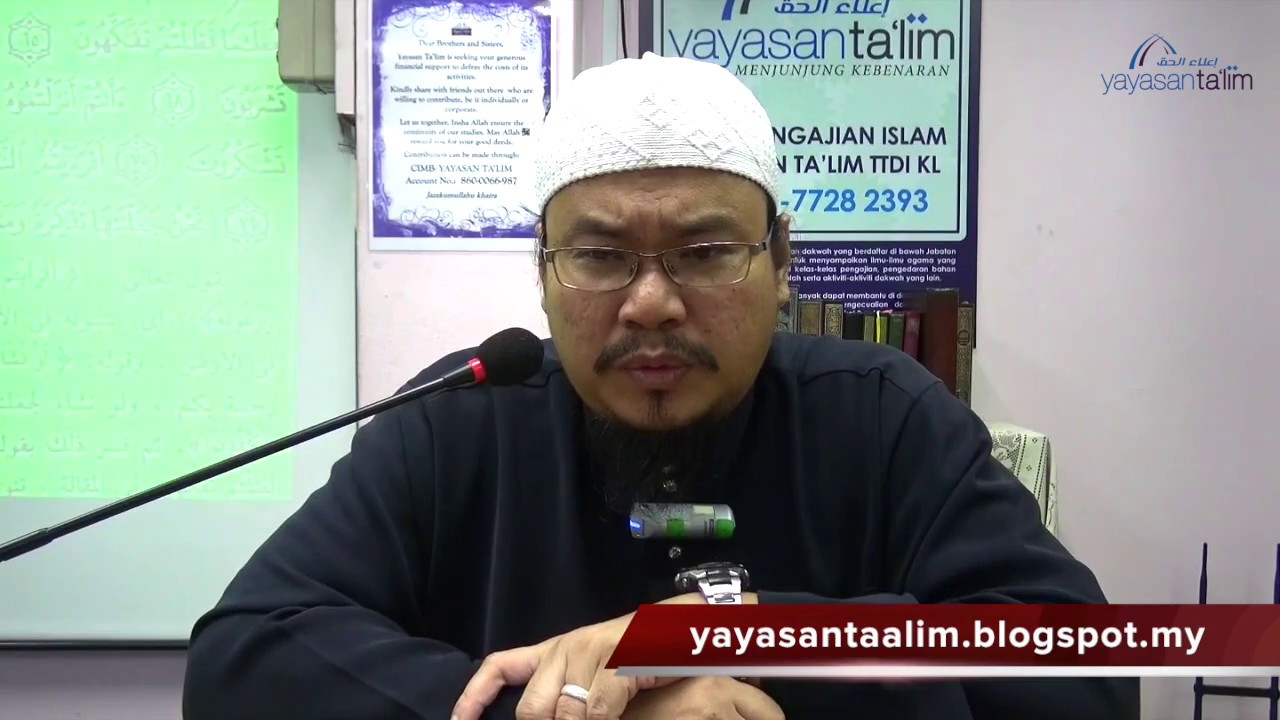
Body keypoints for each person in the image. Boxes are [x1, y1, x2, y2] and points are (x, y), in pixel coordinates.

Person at [182, 53, 1139, 720]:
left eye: (706, 250)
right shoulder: (459, 423)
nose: (650, 303)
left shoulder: (882, 415)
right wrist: (560, 710)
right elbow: (244, 661)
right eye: (600, 256)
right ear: (543, 273)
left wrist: (757, 640)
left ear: (782, 262)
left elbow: (1085, 673)